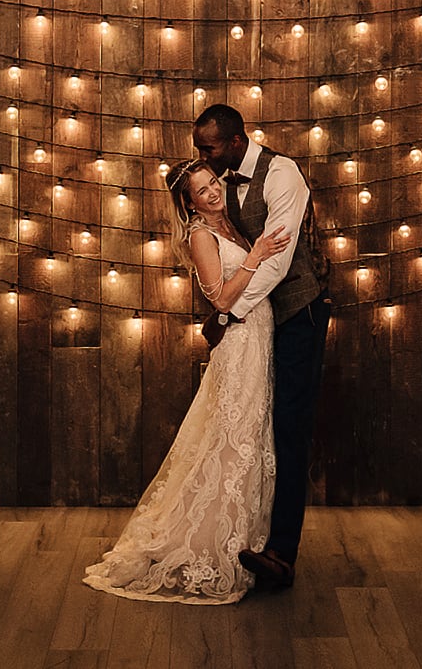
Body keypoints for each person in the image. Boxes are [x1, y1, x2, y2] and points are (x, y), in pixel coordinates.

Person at [82, 159, 290, 604]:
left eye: (213, 182)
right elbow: (219, 297)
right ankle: (210, 548)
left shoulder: (232, 223)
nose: (212, 192)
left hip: (261, 336)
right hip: (239, 342)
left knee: (252, 438)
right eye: (201, 190)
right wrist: (254, 259)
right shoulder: (200, 234)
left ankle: (244, 541)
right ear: (189, 201)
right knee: (232, 438)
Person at [192, 103, 329, 590]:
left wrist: (228, 311)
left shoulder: (283, 174)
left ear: (233, 141)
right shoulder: (221, 181)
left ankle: (281, 555)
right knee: (255, 426)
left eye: (207, 147)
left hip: (298, 312)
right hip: (256, 322)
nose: (201, 156)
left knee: (290, 426)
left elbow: (276, 259)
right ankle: (243, 536)